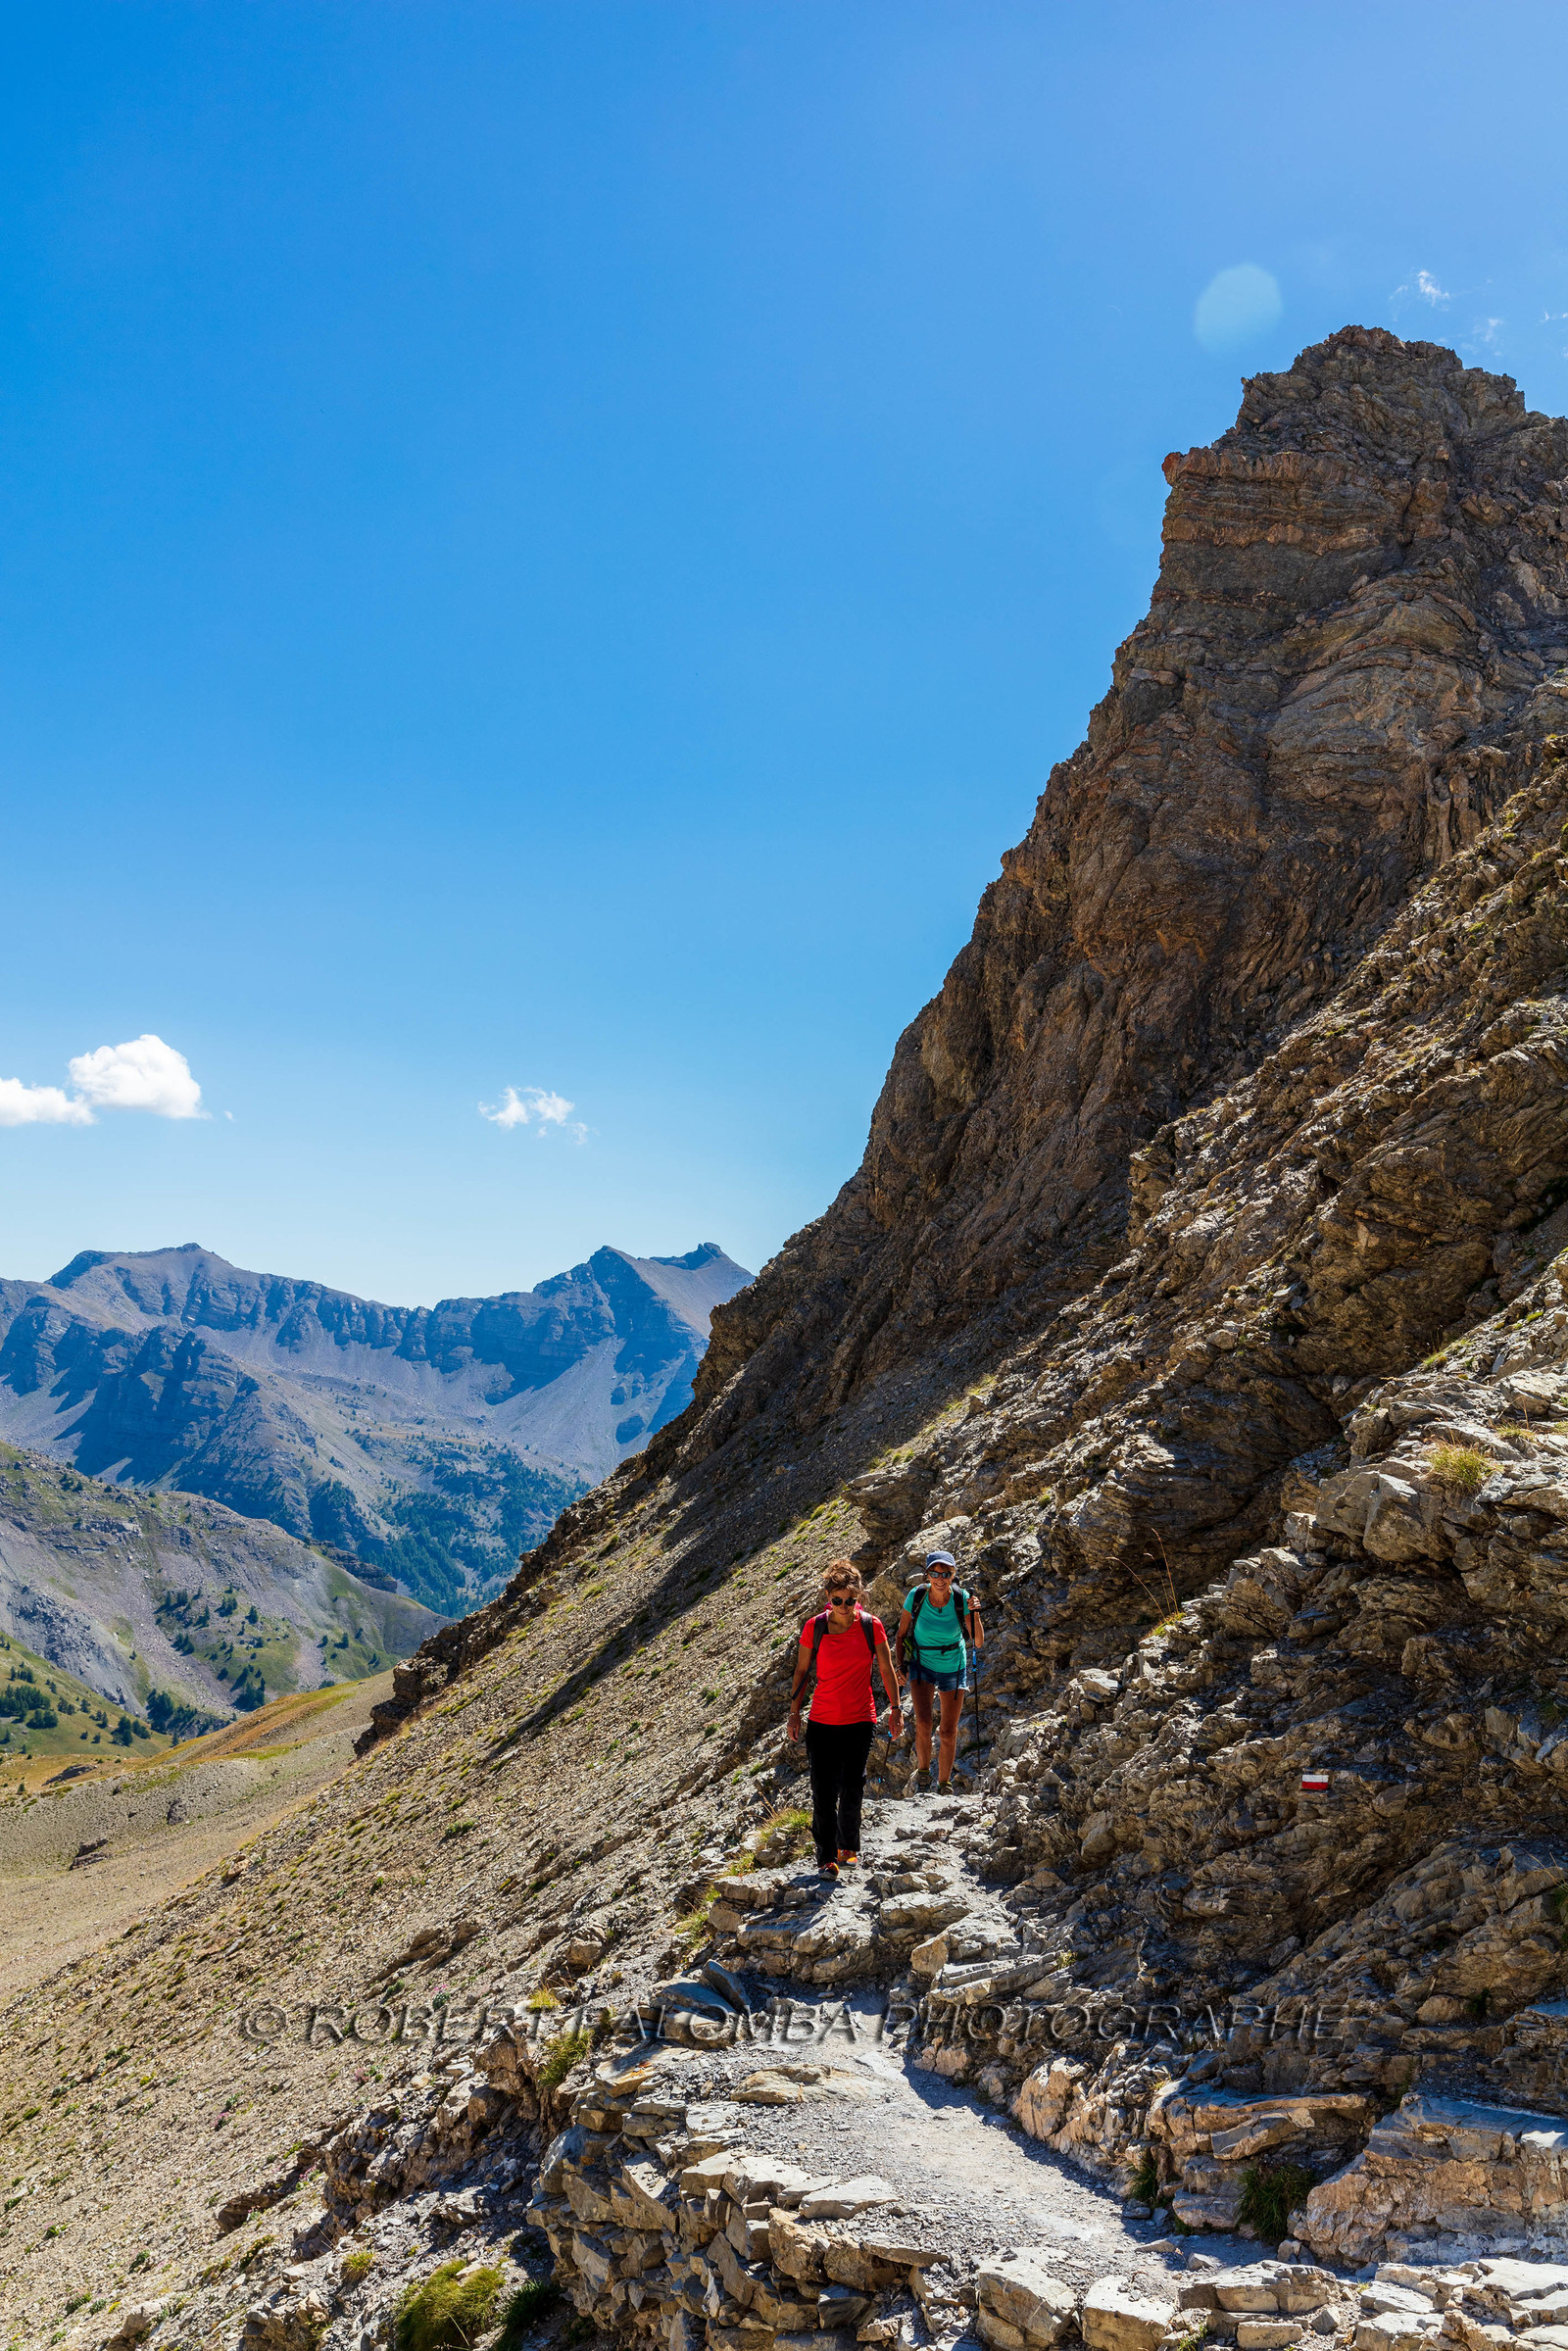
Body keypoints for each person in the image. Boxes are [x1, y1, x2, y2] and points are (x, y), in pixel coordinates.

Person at [786, 1560, 902, 1878]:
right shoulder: (815, 1627)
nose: (843, 1606)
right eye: (837, 1600)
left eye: (849, 1600)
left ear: (858, 1596)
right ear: (828, 1597)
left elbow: (886, 1668)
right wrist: (794, 1713)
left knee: (853, 1785)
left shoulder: (871, 1626)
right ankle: (826, 1858)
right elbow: (801, 1671)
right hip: (822, 1721)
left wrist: (896, 1708)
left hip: (860, 1719)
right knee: (823, 1792)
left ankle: (847, 1846)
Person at [895, 1548, 983, 1794]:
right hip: (921, 1662)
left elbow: (977, 1642)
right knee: (923, 1723)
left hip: (953, 1664)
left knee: (948, 1731)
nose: (940, 1578)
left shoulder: (962, 1598)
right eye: (934, 1573)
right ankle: (923, 1774)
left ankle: (944, 1784)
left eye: (945, 1573)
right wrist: (900, 1666)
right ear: (927, 1575)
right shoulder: (916, 1595)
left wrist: (975, 1613)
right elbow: (901, 1635)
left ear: (953, 1575)